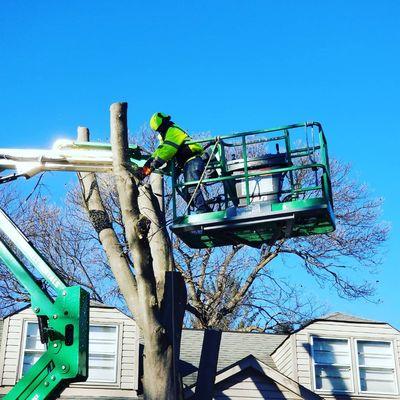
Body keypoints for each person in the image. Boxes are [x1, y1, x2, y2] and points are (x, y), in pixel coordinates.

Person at [139, 112, 210, 213]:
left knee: (191, 186)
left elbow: (168, 150)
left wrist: (154, 165)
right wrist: (145, 168)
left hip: (193, 159)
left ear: (165, 123)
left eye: (161, 128)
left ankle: (202, 209)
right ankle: (205, 208)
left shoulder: (173, 131)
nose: (160, 131)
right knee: (187, 191)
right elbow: (159, 152)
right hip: (186, 163)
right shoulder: (166, 137)